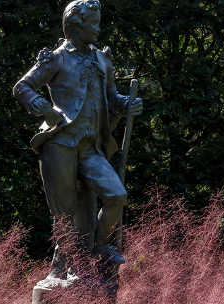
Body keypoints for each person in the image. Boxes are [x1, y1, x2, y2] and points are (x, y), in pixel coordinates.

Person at [13, 0, 143, 281]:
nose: (98, 28)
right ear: (75, 25)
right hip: (59, 144)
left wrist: (127, 103)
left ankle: (98, 249)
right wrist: (45, 108)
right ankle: (71, 269)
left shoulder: (102, 60)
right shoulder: (57, 58)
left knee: (116, 196)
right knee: (65, 214)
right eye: (93, 23)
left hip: (90, 147)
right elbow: (23, 87)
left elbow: (112, 98)